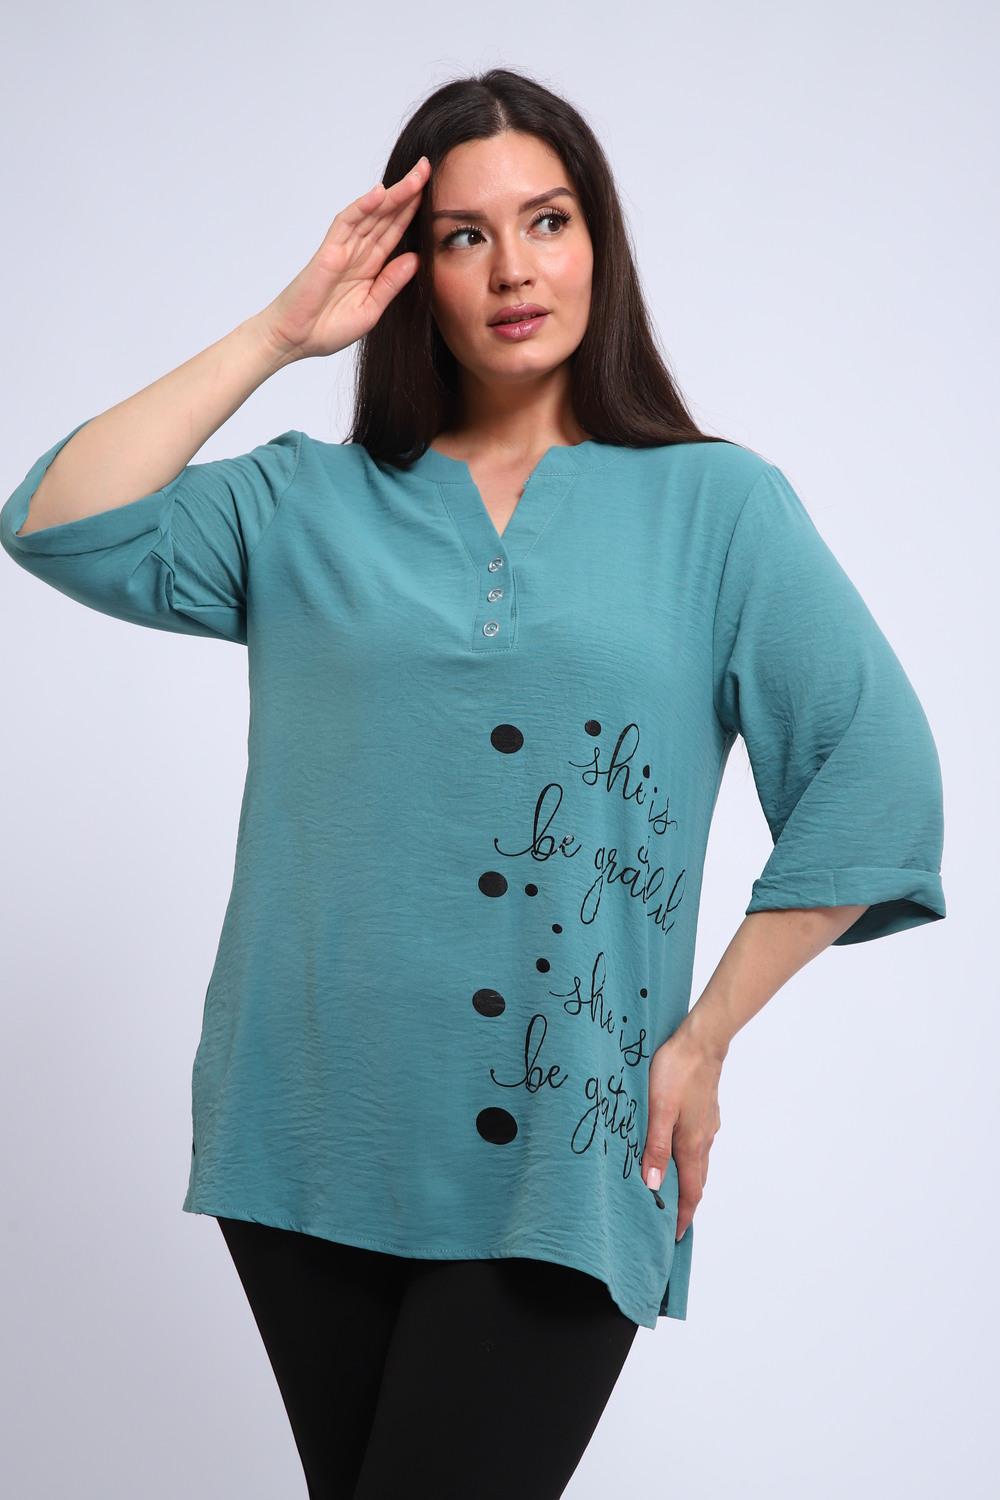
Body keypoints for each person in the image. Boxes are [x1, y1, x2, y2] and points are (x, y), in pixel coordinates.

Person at [0, 66, 946, 1500]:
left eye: (548, 221)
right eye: (464, 235)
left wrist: (703, 1041)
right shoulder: (303, 502)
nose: (514, 268)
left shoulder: (718, 508)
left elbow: (878, 782)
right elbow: (58, 520)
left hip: (566, 1145)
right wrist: (278, 333)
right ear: (412, 269)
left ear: (599, 244)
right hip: (309, 1128)